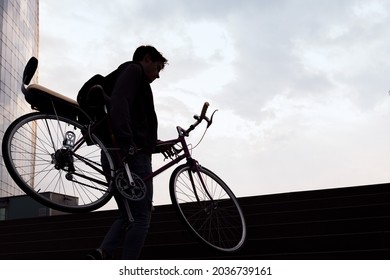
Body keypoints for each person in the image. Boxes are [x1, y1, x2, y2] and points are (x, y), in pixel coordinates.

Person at [86, 45, 168, 259]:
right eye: (158, 68)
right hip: (129, 154)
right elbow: (119, 103)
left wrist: (156, 145)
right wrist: (127, 142)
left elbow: (132, 119)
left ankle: (101, 253)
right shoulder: (134, 71)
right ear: (147, 58)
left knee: (127, 213)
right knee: (142, 217)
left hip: (114, 151)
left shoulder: (134, 77)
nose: (158, 75)